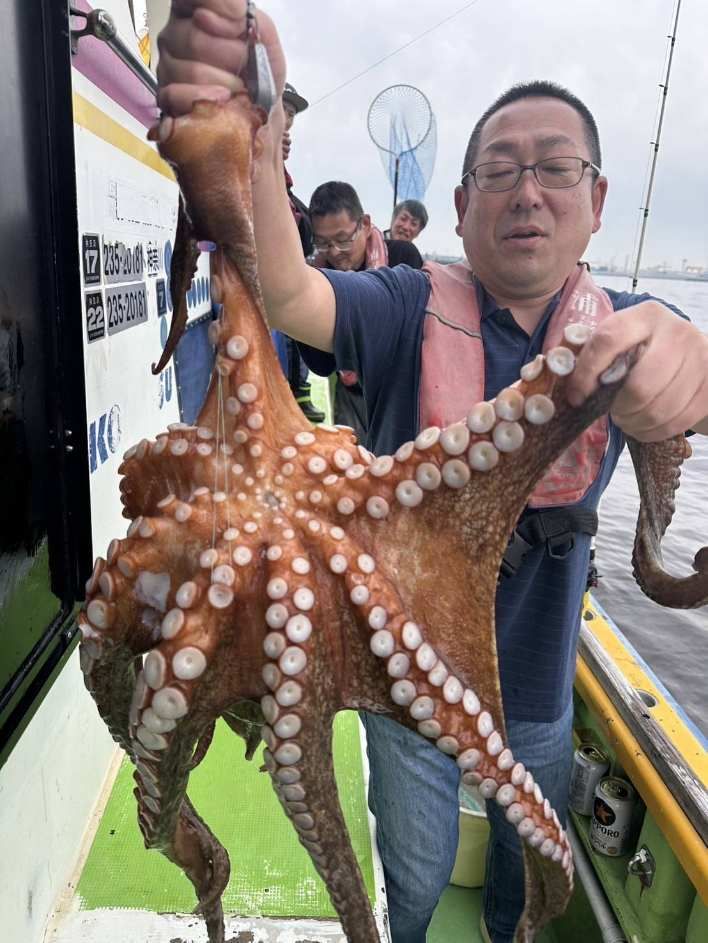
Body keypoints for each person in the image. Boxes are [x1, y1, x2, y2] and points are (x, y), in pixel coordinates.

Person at [156, 6, 708, 941]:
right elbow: (289, 291)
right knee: (411, 879)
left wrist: (686, 361)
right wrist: (253, 123)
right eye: (499, 170)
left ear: (598, 199)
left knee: (521, 887)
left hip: (538, 692)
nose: (527, 192)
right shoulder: (407, 305)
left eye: (556, 168)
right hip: (401, 692)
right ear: (460, 204)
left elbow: (687, 378)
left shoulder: (627, 331)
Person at [307, 181, 423, 439]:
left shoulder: (403, 257)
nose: (334, 252)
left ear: (365, 224)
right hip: (349, 395)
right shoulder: (317, 279)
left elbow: (416, 336)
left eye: (343, 240)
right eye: (323, 243)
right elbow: (320, 363)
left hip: (399, 395)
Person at [272, 81, 325, 423]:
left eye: (291, 113)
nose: (287, 119)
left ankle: (296, 391)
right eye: (282, 109)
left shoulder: (283, 175)